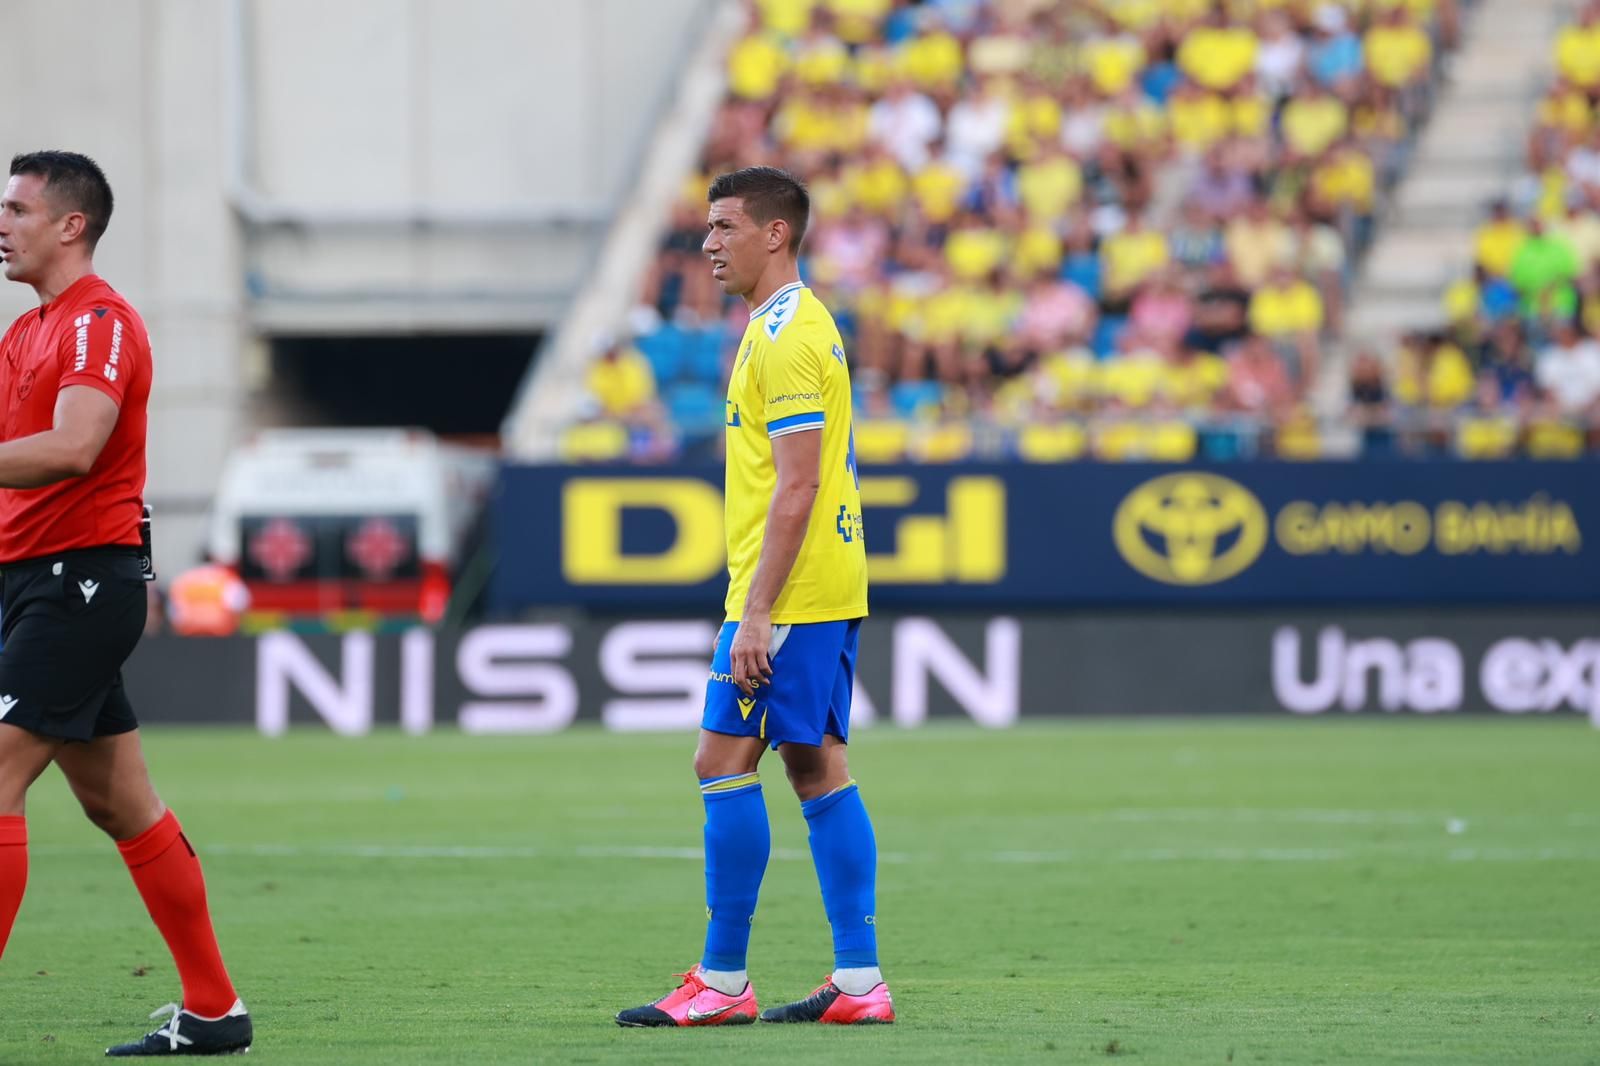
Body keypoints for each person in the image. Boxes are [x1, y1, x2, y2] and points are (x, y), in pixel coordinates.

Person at [615, 166, 891, 1028]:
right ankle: (857, 982)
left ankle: (724, 981)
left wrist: (759, 610)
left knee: (721, 761)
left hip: (794, 595)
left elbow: (799, 485)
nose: (709, 244)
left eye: (726, 226)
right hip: (817, 586)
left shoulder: (787, 337)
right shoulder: (785, 326)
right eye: (708, 227)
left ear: (776, 234)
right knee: (816, 768)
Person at [0, 151, 250, 1056]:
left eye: (18, 208)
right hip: (31, 582)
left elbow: (73, 447)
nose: (3, 223)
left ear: (72, 225)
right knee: (123, 807)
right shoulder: (26, 332)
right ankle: (217, 1012)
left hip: (81, 583)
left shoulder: (100, 322)